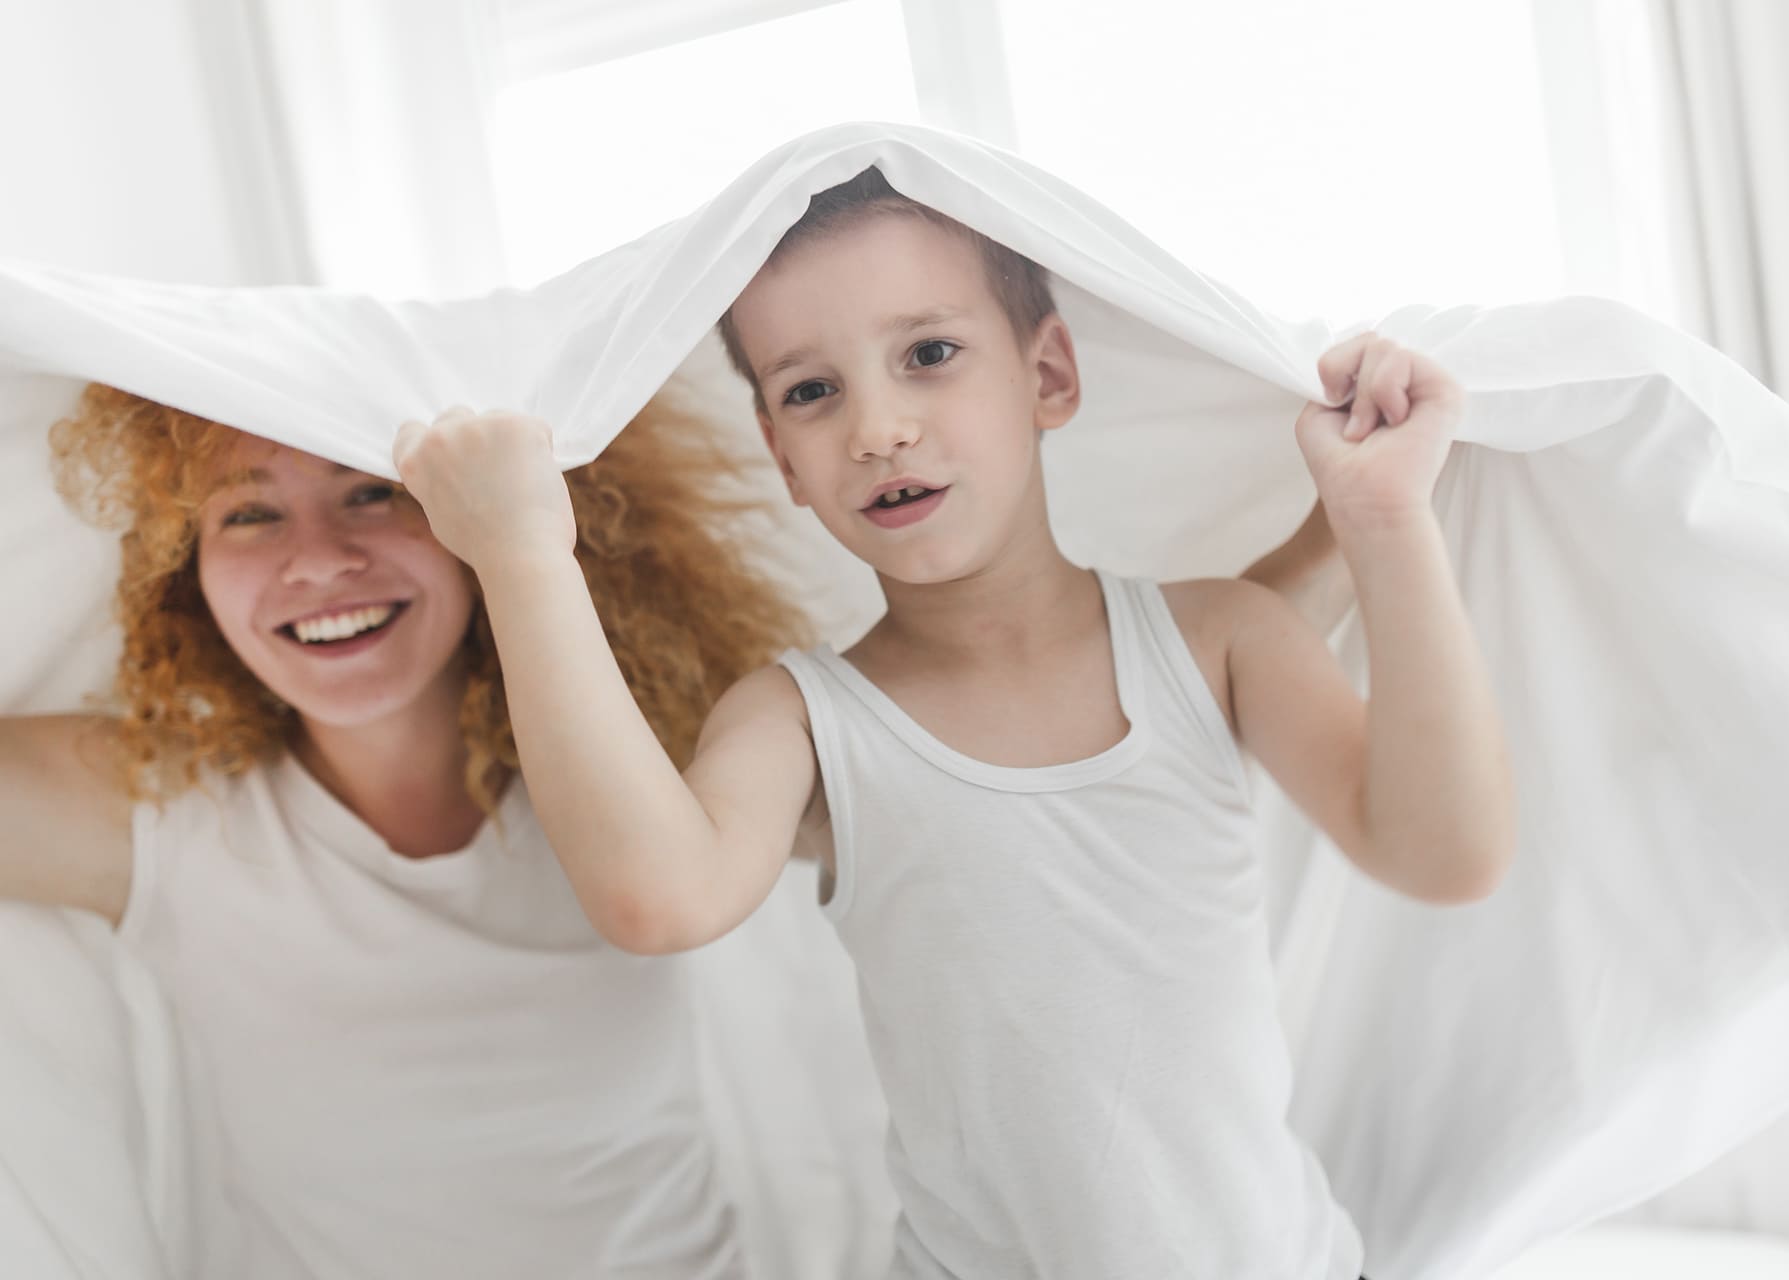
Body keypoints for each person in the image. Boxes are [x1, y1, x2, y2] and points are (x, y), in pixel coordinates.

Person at [394, 169, 1514, 1279]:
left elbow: (1443, 847)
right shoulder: (804, 721)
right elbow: (661, 894)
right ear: (781, 457)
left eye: (928, 354)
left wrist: (1380, 516)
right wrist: (522, 555)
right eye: (811, 390)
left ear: (1050, 375)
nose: (878, 428)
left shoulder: (1219, 637)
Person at [2, 381, 802, 1279]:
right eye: (250, 514)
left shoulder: (629, 771)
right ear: (182, 571)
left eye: (372, 492)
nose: (318, 561)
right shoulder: (170, 811)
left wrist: (528, 559)